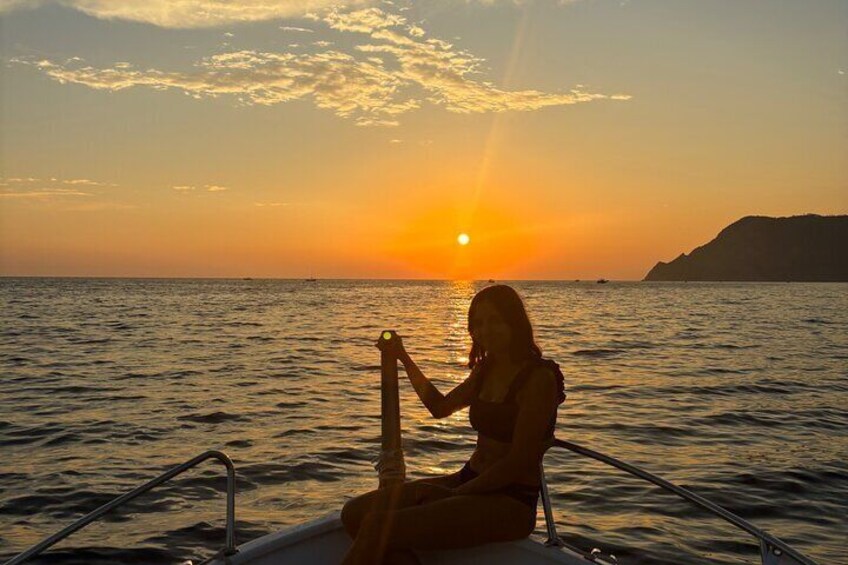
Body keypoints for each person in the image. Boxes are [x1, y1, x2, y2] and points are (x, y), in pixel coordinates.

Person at [340, 284, 566, 565]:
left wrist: (454, 494)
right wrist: (402, 356)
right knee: (354, 514)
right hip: (468, 479)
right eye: (478, 324)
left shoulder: (538, 379)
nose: (485, 331)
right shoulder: (487, 370)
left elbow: (519, 461)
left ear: (514, 321)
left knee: (377, 528)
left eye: (495, 321)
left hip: (510, 501)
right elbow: (439, 407)